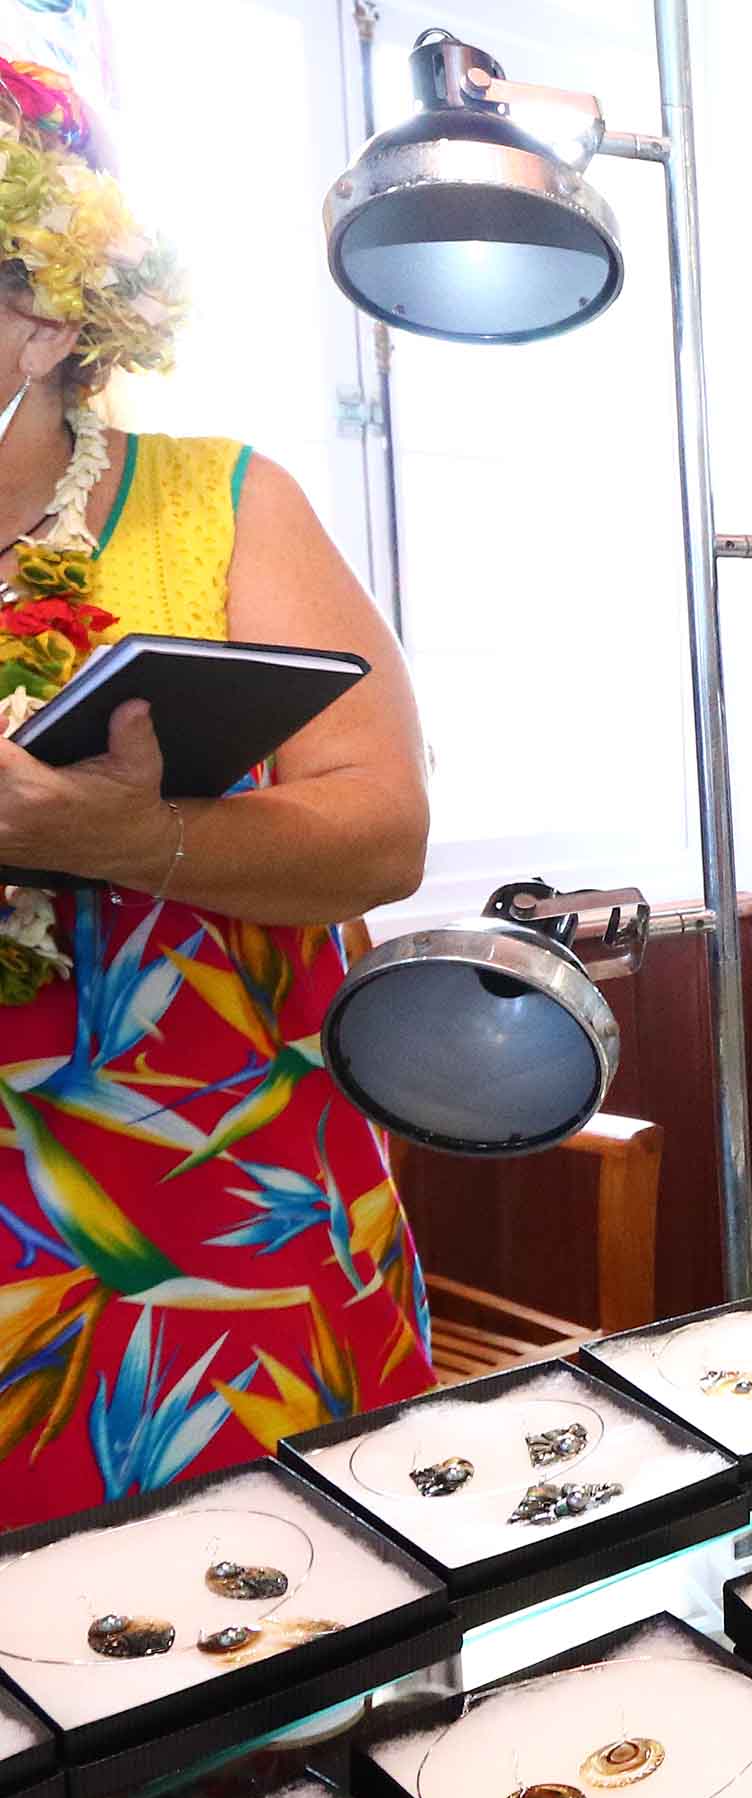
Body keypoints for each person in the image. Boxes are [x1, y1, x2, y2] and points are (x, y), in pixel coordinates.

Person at [0, 62, 433, 1529]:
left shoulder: (224, 504)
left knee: (285, 1619)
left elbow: (382, 832)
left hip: (225, 1222)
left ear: (48, 314)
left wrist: (131, 836)